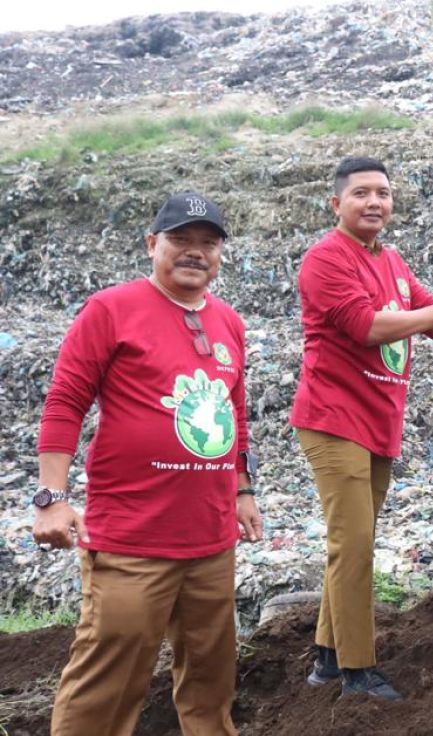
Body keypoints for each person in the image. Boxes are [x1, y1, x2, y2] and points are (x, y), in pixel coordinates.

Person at [33, 192, 262, 736]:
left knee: (211, 682)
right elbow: (66, 400)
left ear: (221, 254)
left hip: (210, 541)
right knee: (108, 683)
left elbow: (236, 414)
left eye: (208, 243)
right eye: (181, 239)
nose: (195, 252)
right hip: (132, 539)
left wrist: (243, 490)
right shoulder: (111, 309)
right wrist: (51, 497)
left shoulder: (229, 321)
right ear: (152, 244)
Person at [290, 156, 433, 700]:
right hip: (333, 418)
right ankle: (357, 671)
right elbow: (365, 325)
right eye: (361, 194)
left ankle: (327, 659)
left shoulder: (392, 260)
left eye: (384, 193)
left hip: (378, 420)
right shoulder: (326, 259)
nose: (375, 202)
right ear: (337, 204)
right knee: (353, 545)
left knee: (355, 541)